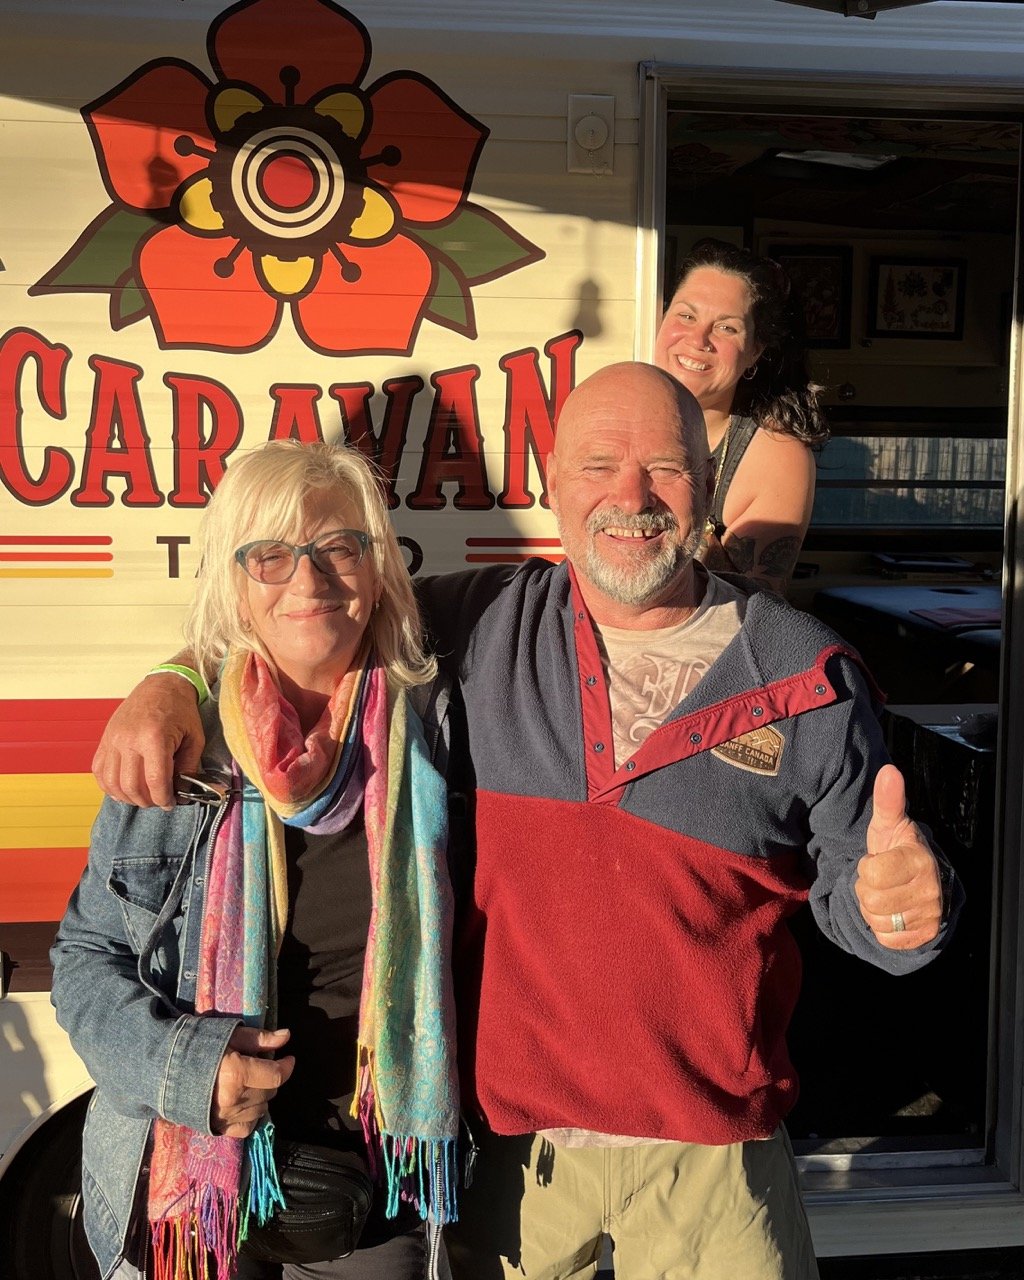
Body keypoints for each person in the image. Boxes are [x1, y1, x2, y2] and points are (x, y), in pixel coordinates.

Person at [91, 364, 959, 1280]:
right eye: (598, 465)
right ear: (550, 485)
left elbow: (870, 899)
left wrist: (899, 918)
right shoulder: (483, 622)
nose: (630, 495)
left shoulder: (806, 671)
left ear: (707, 488)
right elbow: (298, 616)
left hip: (717, 1171)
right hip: (516, 1175)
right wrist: (174, 683)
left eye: (665, 466)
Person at [52, 441, 459, 1280]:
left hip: (369, 1186)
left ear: (376, 568)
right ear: (234, 584)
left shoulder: (440, 732)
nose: (307, 582)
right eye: (269, 556)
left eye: (337, 548)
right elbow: (85, 963)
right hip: (189, 1172)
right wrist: (193, 1071)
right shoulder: (179, 750)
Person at [654, 237, 828, 593]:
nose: (698, 338)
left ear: (753, 353)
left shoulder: (776, 454)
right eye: (686, 315)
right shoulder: (617, 411)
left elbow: (750, 606)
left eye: (727, 327)